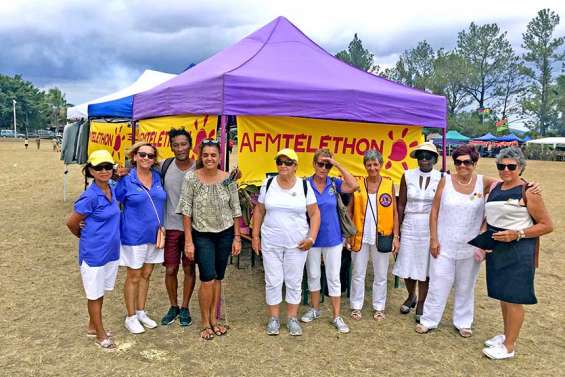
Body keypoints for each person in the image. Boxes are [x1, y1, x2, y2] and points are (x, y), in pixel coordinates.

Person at [481, 148, 552, 360]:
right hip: (497, 250)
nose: (506, 170)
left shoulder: (529, 191)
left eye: (511, 166)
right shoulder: (496, 188)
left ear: (520, 167)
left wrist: (518, 233)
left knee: (514, 298)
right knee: (504, 295)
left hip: (519, 251)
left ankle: (509, 347)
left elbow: (547, 225)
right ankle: (506, 336)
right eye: (501, 166)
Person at [176, 139, 242, 340]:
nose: (209, 158)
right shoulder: (191, 179)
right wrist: (188, 241)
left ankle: (214, 319)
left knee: (218, 278)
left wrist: (237, 237)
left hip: (225, 234)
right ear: (200, 156)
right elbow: (186, 211)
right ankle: (205, 322)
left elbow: (236, 210)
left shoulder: (228, 179)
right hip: (202, 234)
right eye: (206, 155)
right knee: (207, 278)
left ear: (219, 157)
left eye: (213, 155)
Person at [252, 149, 320, 336]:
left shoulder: (304, 186)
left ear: (295, 166)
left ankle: (292, 318)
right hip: (271, 242)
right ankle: (273, 319)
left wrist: (311, 238)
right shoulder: (268, 184)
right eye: (279, 162)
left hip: (297, 244)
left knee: (294, 281)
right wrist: (255, 236)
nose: (283, 165)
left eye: (288, 162)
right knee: (272, 280)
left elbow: (314, 214)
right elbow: (259, 210)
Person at [66, 150, 120, 349]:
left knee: (100, 291)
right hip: (94, 254)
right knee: (94, 294)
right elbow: (71, 222)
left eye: (107, 167)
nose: (104, 171)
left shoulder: (111, 189)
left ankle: (92, 325)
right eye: (99, 167)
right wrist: (84, 236)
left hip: (110, 252)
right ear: (90, 170)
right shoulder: (89, 196)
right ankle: (100, 334)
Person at [301, 148, 358, 334]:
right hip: (312, 238)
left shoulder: (334, 183)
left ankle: (336, 316)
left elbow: (354, 185)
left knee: (333, 277)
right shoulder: (305, 185)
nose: (323, 168)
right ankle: (315, 309)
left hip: (333, 238)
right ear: (314, 164)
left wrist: (337, 165)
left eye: (327, 164)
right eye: (320, 163)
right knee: (314, 275)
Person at [116, 142, 166, 334]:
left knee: (146, 274)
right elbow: (113, 201)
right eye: (142, 154)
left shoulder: (157, 177)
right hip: (133, 235)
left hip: (154, 235)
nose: (146, 158)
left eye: (150, 156)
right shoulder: (126, 179)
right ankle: (130, 317)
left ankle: (141, 311)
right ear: (134, 156)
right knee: (134, 276)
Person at [348, 149, 400, 322]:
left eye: (375, 164)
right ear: (365, 166)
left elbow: (394, 212)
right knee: (358, 273)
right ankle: (356, 306)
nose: (372, 168)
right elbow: (350, 210)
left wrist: (396, 236)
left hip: (382, 236)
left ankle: (379, 307)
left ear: (381, 165)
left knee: (380, 274)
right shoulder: (357, 183)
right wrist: (348, 234)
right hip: (359, 236)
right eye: (369, 165)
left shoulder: (388, 184)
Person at [392, 142, 441, 322]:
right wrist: (398, 232)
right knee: (406, 264)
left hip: (429, 225)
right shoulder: (407, 175)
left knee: (424, 266)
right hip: (410, 224)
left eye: (428, 156)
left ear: (435, 159)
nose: (424, 160)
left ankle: (421, 302)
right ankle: (411, 295)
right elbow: (401, 204)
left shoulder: (442, 177)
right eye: (421, 156)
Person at [160, 129, 197, 328]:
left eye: (184, 144)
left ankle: (185, 307)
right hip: (171, 226)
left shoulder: (199, 166)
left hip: (194, 228)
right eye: (176, 145)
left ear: (189, 145)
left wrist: (233, 177)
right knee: (171, 269)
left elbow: (218, 180)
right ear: (171, 146)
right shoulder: (165, 166)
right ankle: (173, 306)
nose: (180, 148)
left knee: (189, 267)